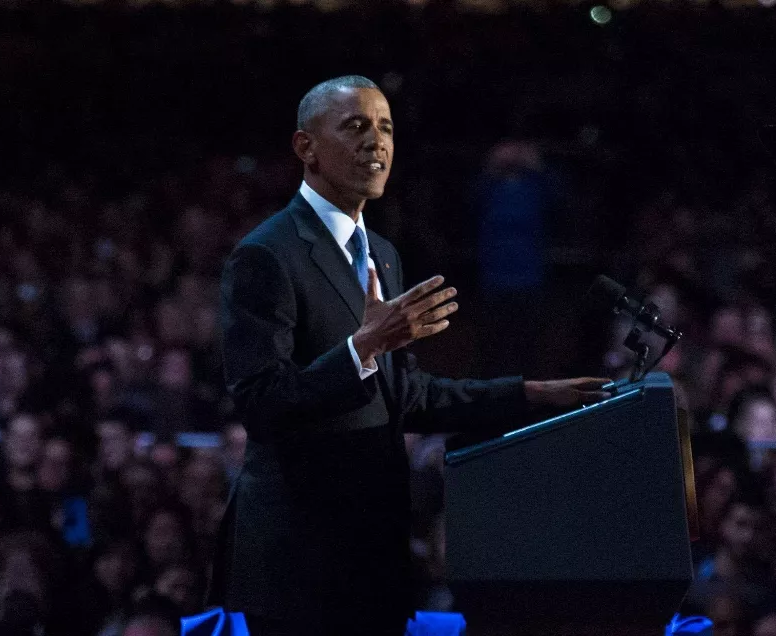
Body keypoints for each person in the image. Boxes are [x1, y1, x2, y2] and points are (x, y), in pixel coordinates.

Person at [212, 75, 610, 636]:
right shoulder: (265, 256)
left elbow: (408, 396)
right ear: (306, 148)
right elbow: (261, 403)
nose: (376, 142)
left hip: (373, 556)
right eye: (355, 127)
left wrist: (529, 394)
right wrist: (365, 345)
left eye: (386, 128)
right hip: (298, 567)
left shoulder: (383, 254)